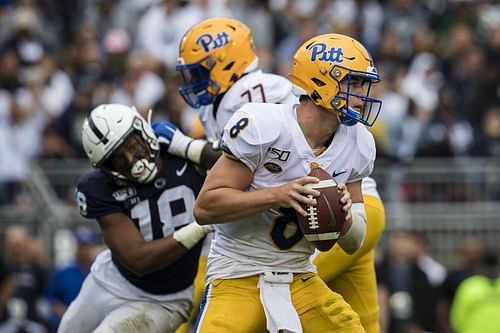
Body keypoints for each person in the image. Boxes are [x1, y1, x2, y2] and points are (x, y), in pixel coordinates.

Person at [153, 17, 385, 333]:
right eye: (354, 84)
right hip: (239, 272)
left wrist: (342, 216)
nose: (362, 94)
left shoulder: (358, 141)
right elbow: (205, 208)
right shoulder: (262, 122)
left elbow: (352, 241)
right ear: (320, 83)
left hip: (299, 275)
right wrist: (279, 194)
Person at [57, 104, 213, 333]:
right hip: (110, 282)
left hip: (165, 299)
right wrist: (199, 227)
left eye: (132, 146)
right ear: (106, 169)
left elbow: (239, 160)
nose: (132, 160)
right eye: (118, 160)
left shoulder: (182, 156)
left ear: (143, 131)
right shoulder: (99, 188)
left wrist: (188, 146)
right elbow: (139, 260)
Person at [44, 226, 99, 332]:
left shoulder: (100, 271)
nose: (84, 251)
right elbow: (50, 301)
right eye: (81, 246)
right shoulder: (62, 272)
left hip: (96, 322)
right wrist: (67, 313)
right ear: (76, 247)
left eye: (87, 246)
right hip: (67, 321)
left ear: (92, 247)